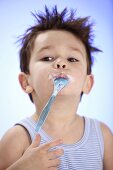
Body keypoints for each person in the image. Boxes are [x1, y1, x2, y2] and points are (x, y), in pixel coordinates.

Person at [0, 6, 113, 170]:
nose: (61, 63)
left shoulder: (102, 135)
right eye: (47, 58)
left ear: (87, 83)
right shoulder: (18, 138)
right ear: (26, 82)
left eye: (72, 59)